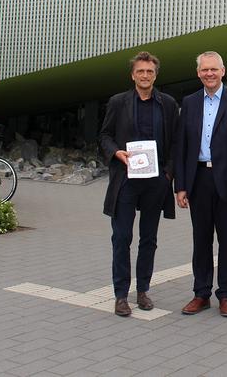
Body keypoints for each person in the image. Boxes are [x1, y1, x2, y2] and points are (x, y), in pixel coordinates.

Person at [175, 51, 227, 317]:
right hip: (198, 180)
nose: (209, 74)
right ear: (198, 73)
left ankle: (225, 294)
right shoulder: (189, 102)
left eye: (214, 69)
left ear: (223, 71)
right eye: (204, 70)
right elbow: (182, 146)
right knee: (201, 240)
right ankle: (201, 293)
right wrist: (181, 185)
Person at [99, 51, 179, 317]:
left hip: (155, 182)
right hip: (126, 180)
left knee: (149, 238)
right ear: (133, 75)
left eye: (150, 72)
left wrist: (167, 173)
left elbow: (175, 142)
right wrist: (116, 153)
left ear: (156, 75)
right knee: (122, 237)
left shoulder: (166, 103)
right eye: (140, 71)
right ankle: (121, 295)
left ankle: (143, 290)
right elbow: (105, 135)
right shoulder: (118, 102)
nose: (145, 76)